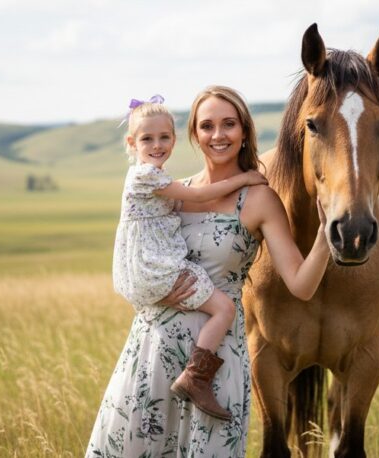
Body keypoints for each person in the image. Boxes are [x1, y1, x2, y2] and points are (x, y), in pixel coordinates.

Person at [86, 86, 330, 457]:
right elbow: (133, 258)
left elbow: (301, 285)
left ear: (244, 131)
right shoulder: (171, 191)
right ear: (195, 134)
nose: (218, 135)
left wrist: (328, 237)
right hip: (153, 348)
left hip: (216, 365)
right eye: (207, 126)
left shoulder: (260, 198)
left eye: (229, 124)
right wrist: (154, 291)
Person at [113, 96, 267, 420]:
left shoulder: (151, 175)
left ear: (175, 138)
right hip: (156, 267)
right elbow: (197, 195)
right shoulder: (148, 176)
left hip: (147, 265)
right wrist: (244, 179)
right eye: (147, 139)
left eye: (164, 137)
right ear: (131, 142)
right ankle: (196, 378)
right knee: (224, 307)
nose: (157, 145)